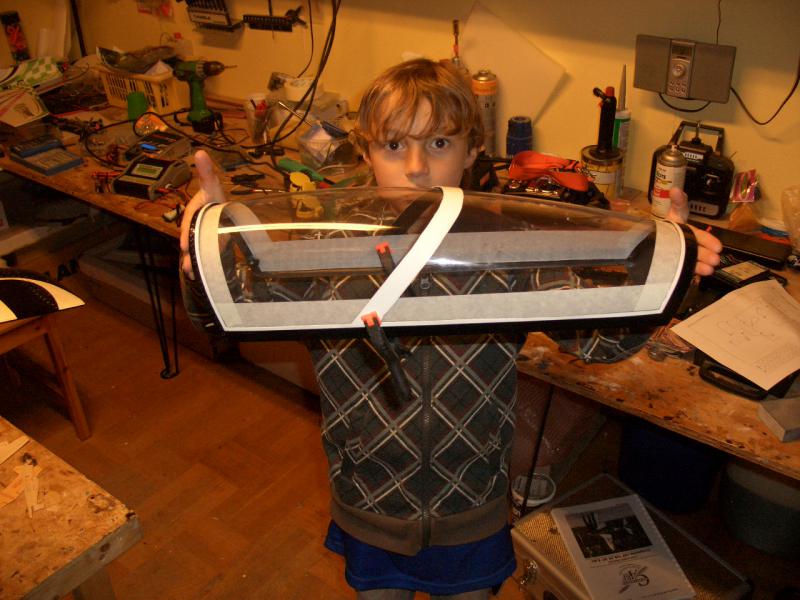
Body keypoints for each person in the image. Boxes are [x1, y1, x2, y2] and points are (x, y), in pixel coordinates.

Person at [180, 59, 721, 599]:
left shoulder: (506, 251)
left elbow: (598, 342)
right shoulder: (326, 255)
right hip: (369, 500)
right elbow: (232, 309)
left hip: (471, 506)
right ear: (366, 152)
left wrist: (668, 273)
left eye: (439, 143)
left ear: (471, 151)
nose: (417, 167)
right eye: (395, 145)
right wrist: (208, 255)